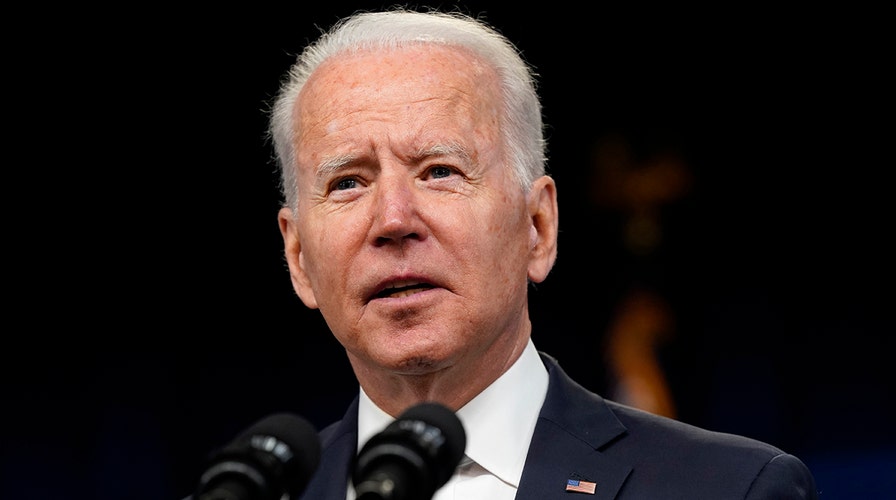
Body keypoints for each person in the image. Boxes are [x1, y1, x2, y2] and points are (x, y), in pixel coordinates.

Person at [269, 7, 819, 499]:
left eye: (440, 171)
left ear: (538, 226)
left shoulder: (730, 489)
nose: (392, 220)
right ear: (298, 257)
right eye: (347, 183)